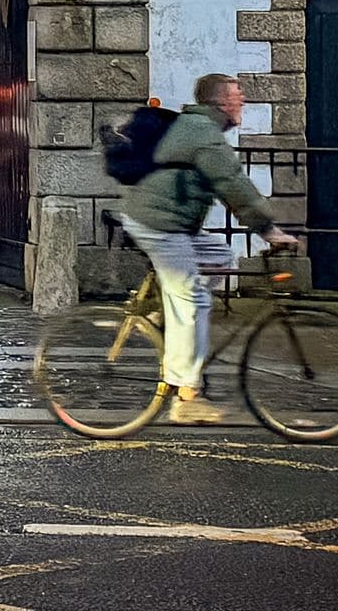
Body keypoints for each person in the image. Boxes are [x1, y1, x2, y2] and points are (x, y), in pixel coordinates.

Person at [116, 73, 298, 424]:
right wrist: (269, 230)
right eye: (236, 95)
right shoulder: (204, 135)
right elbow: (234, 185)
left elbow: (228, 184)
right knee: (191, 299)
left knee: (220, 257)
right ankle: (186, 395)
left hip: (171, 223)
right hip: (159, 224)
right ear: (219, 102)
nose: (242, 100)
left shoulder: (202, 129)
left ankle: (162, 313)